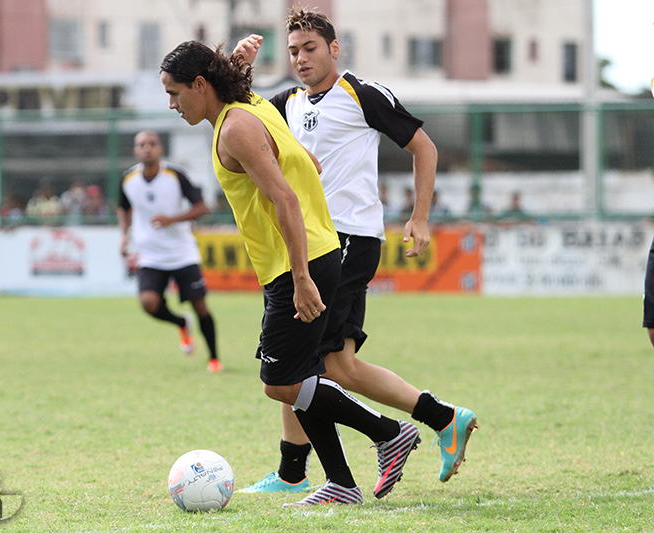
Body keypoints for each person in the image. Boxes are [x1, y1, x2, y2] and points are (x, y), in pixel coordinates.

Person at [161, 40, 421, 507]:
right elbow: (233, 85)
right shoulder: (249, 105)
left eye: (176, 92)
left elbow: (284, 200)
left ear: (201, 85)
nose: (172, 104)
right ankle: (341, 482)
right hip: (305, 257)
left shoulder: (235, 128)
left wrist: (300, 278)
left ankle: (389, 433)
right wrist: (238, 59)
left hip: (297, 264)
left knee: (279, 381)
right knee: (303, 375)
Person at [233, 7, 477, 494]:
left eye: (311, 49)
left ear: (334, 48)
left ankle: (308, 470)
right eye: (294, 51)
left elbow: (423, 148)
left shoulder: (360, 94)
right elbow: (239, 110)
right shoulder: (288, 102)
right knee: (332, 366)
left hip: (347, 241)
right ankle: (441, 418)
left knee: (302, 362)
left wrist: (420, 216)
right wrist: (239, 65)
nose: (301, 59)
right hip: (313, 242)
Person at [118, 131, 222, 373]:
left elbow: (202, 207)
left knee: (200, 307)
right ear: (135, 151)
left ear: (160, 149)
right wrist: (124, 234)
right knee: (148, 303)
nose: (147, 148)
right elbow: (122, 208)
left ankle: (214, 358)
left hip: (182, 253)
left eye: (152, 144)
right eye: (141, 145)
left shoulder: (175, 175)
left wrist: (172, 219)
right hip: (151, 256)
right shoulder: (128, 179)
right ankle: (181, 323)